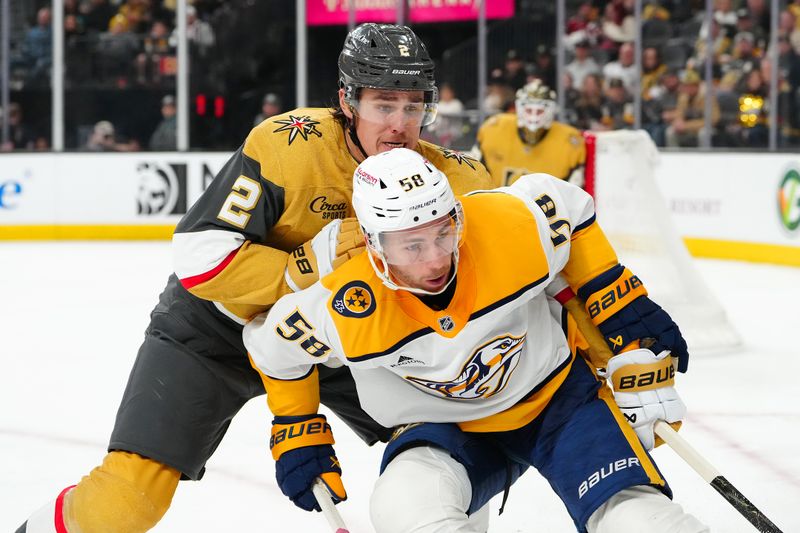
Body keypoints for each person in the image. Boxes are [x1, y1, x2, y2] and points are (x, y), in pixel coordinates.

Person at [17, 23, 493, 533]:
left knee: (451, 453)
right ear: (347, 101)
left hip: (342, 337)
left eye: (413, 106)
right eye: (384, 104)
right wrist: (305, 266)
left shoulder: (454, 180)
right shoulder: (289, 146)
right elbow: (199, 255)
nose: (400, 125)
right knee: (125, 502)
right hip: (214, 333)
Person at [243, 147, 706, 533]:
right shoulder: (344, 305)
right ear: (373, 242)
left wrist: (613, 296)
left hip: (558, 402)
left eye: (444, 234)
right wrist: (296, 427)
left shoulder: (505, 224)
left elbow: (566, 204)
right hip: (443, 428)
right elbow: (272, 351)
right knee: (403, 508)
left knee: (639, 519)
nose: (435, 260)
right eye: (412, 246)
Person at [472, 79, 586, 187]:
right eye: (529, 110)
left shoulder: (569, 141)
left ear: (549, 111)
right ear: (519, 109)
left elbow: (573, 192)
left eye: (539, 111)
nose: (533, 116)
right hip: (497, 200)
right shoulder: (494, 128)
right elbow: (473, 173)